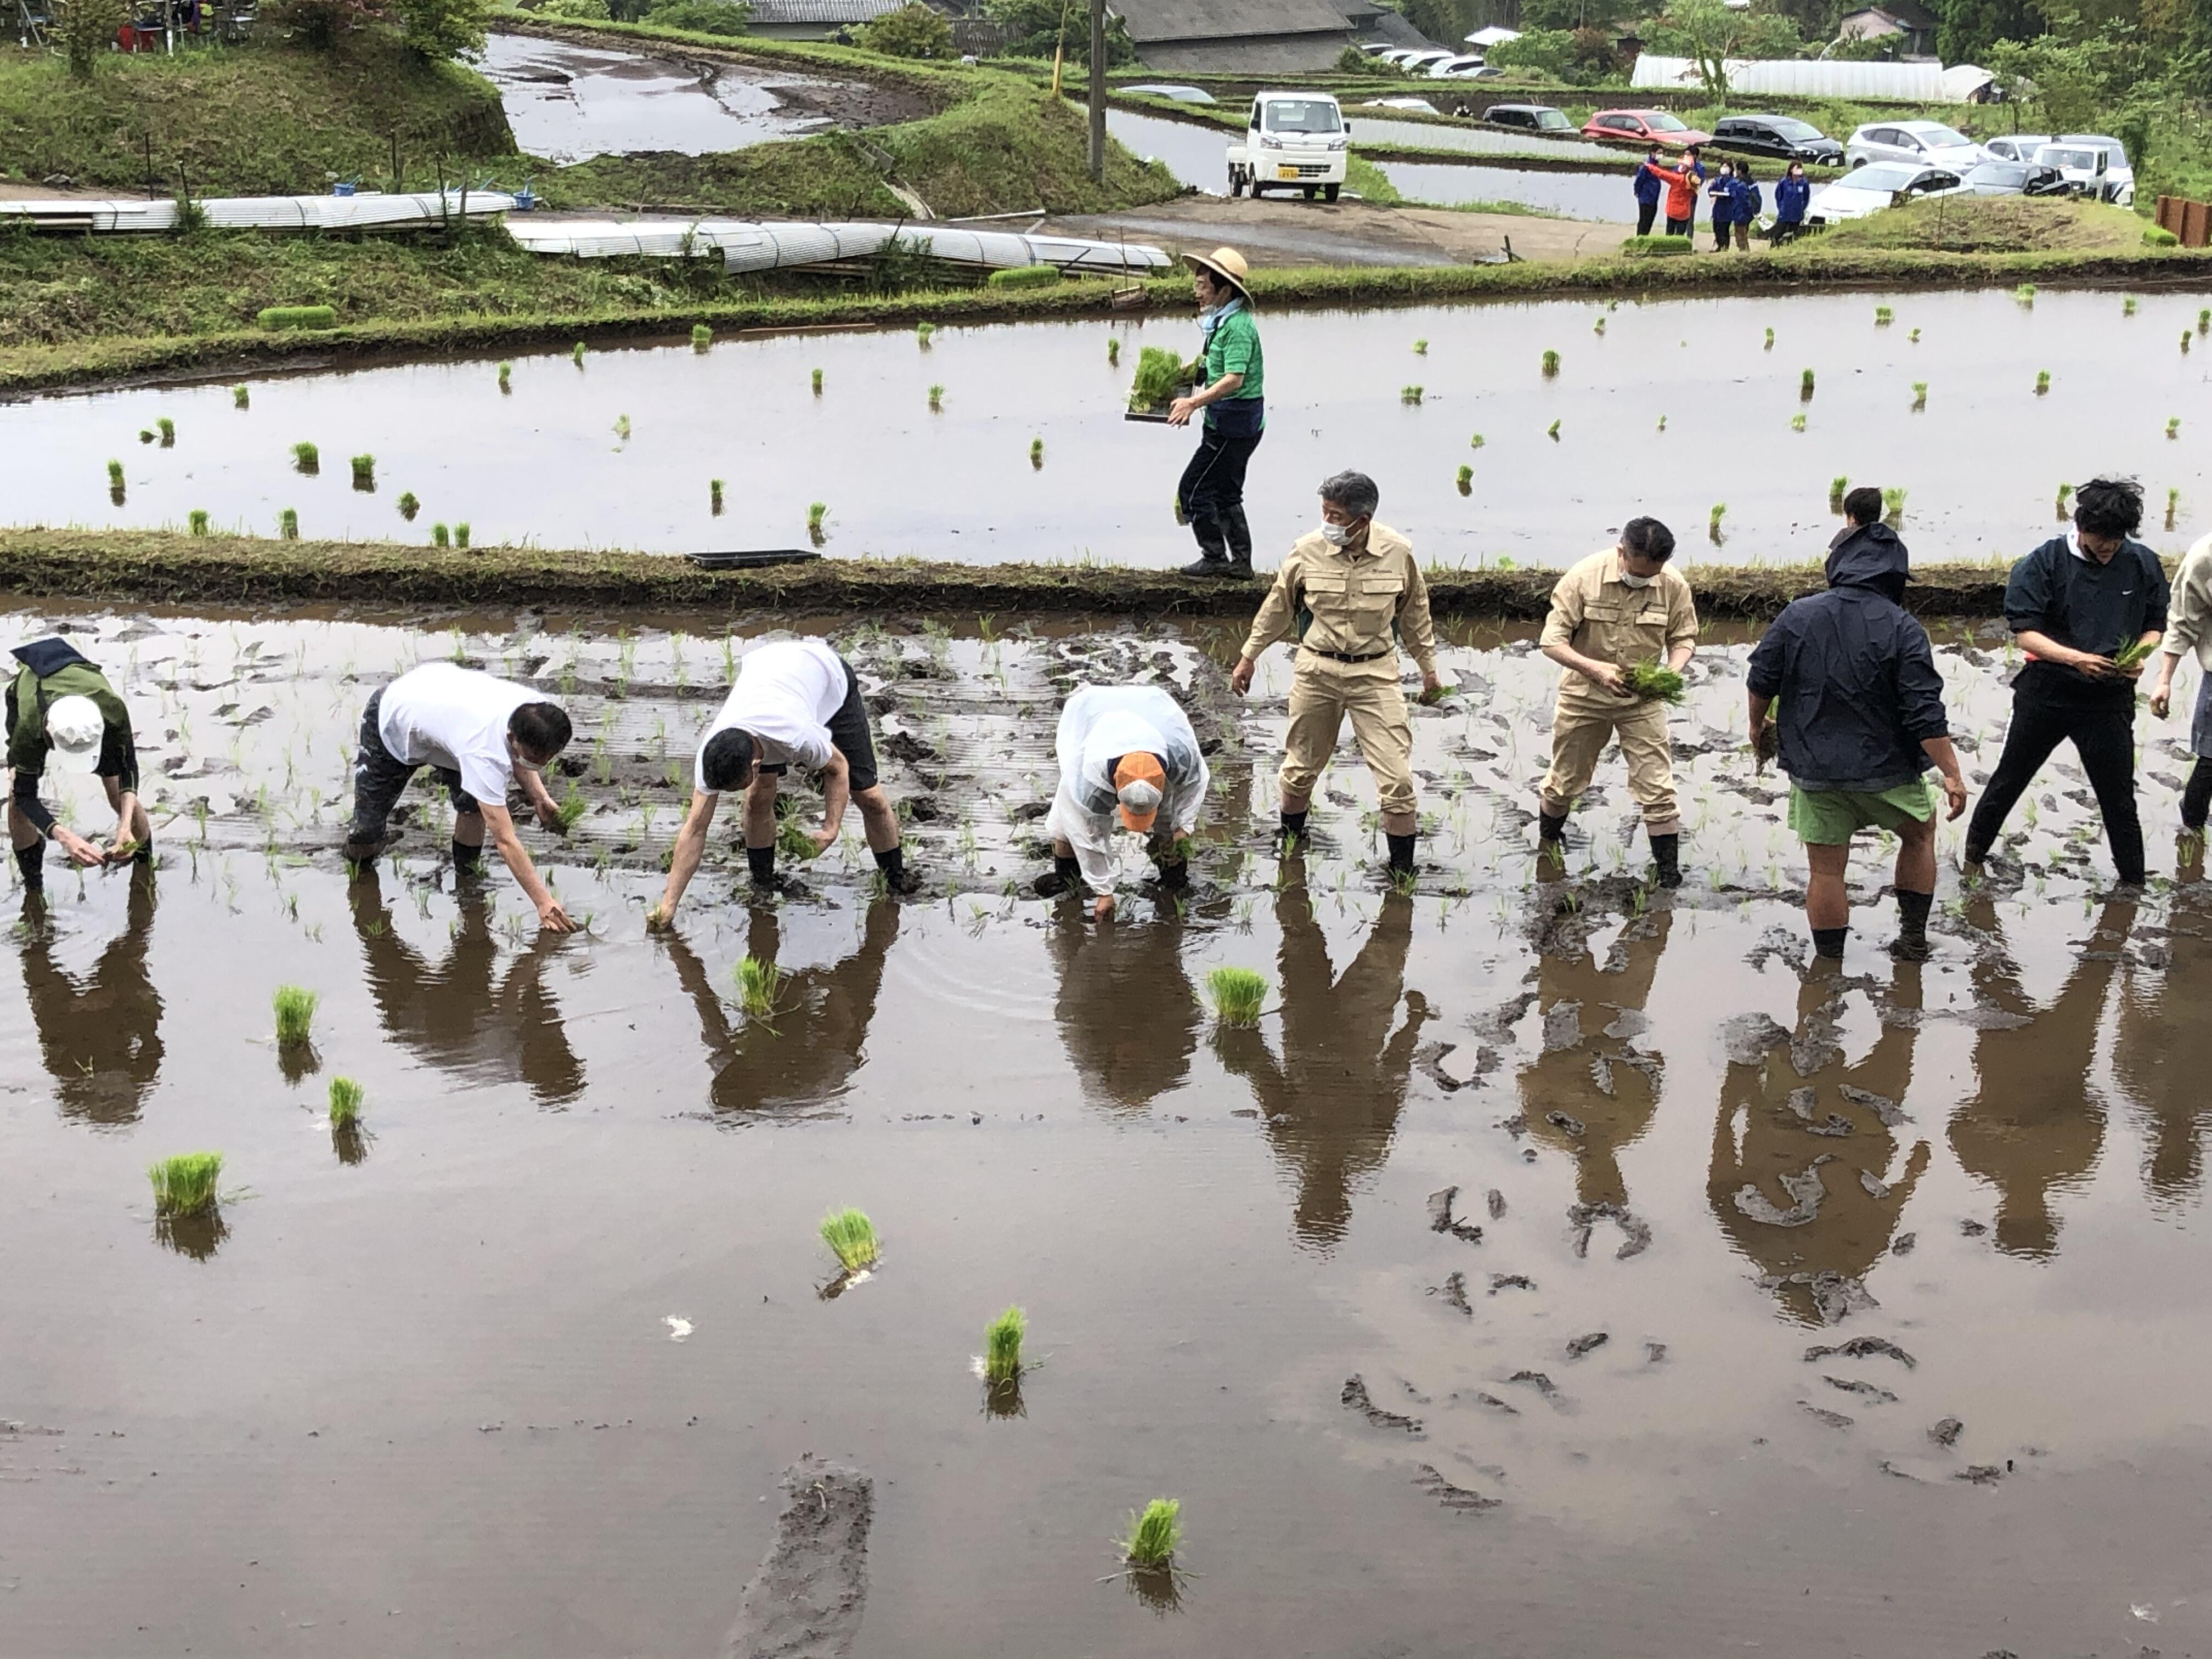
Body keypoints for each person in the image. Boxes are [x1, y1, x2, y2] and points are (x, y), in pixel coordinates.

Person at [1747, 489, 1968, 960]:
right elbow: (1925, 712)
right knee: (1920, 834)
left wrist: (1757, 726)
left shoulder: (1797, 615)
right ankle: (1912, 940)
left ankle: (1829, 964)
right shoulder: (1904, 627)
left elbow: (1760, 678)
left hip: (1815, 771)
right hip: (1889, 772)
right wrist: (1951, 772)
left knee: (1826, 872)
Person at [1231, 470, 1442, 879]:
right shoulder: (1307, 550)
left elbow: (1415, 613)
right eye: (1324, 511)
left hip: (1376, 673)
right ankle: (1291, 840)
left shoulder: (1399, 553)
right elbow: (1278, 607)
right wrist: (1249, 655)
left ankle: (1402, 875)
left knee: (1397, 779)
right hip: (1317, 670)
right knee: (1300, 767)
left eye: (1336, 515)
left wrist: (1429, 669)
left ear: (1362, 521)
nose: (1327, 522)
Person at [1963, 477, 2168, 889]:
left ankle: (2133, 886)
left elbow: (2154, 624)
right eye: (2100, 538)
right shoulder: (2044, 562)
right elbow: (2025, 632)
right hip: (2047, 693)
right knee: (2010, 779)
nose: (2108, 546)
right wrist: (2076, 659)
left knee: (2119, 798)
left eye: (2117, 539)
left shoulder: (2142, 562)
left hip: (2109, 698)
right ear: (2081, 525)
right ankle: (1970, 861)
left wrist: (2139, 658)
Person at [653, 637, 915, 919]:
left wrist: (830, 829)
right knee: (757, 797)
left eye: (735, 786)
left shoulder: (795, 735)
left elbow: (838, 769)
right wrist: (669, 904)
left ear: (756, 764)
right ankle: (763, 882)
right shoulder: (713, 751)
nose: (731, 794)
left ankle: (896, 877)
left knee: (869, 797)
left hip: (827, 678)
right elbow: (695, 829)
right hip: (772, 674)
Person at [342, 660, 577, 933]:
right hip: (394, 720)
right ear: (511, 736)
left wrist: (539, 798)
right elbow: (505, 840)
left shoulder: (539, 713)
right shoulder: (482, 749)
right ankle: (360, 879)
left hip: (447, 711)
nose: (543, 764)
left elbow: (520, 756)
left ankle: (467, 879)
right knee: (367, 832)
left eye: (550, 757)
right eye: (538, 759)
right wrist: (543, 901)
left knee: (472, 806)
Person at [1536, 516, 1699, 887]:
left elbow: (1684, 638)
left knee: (1658, 788)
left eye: (1651, 576)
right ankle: (1548, 843)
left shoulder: (1672, 584)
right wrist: (1594, 669)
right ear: (1621, 552)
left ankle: (1669, 875)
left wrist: (1672, 671)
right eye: (1638, 573)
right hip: (1584, 696)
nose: (1644, 581)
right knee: (1564, 783)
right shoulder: (1583, 577)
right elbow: (1551, 642)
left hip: (1643, 700)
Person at [1035, 682, 1209, 919]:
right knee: (1066, 827)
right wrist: (1104, 892)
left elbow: (1194, 787)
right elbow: (1086, 833)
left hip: (1152, 708)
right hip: (1090, 712)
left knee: (1170, 829)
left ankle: (1174, 886)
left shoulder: (1181, 755)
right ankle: (1068, 889)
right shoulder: (1087, 776)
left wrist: (1183, 828)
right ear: (1115, 785)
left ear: (1162, 781)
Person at [7, 635, 149, 898]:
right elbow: (26, 795)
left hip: (86, 698)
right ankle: (33, 886)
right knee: (17, 795)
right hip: (32, 695)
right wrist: (64, 836)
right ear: (49, 733)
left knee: (117, 787)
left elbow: (129, 768)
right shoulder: (30, 726)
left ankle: (144, 863)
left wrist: (125, 826)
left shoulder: (111, 708)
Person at [1167, 247, 1265, 580]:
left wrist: (1193, 403)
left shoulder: (1237, 327)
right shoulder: (1222, 322)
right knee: (1226, 492)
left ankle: (1215, 558)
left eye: (1202, 286)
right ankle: (1240, 565)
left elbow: (1234, 379)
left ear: (1224, 289)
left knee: (1193, 490)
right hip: (1233, 422)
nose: (1197, 293)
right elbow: (1214, 367)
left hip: (1232, 425)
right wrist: (1180, 375)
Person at [2146, 529, 2212, 842]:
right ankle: (2192, 835)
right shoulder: (2205, 556)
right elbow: (2182, 621)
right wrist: (2164, 681)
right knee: (2211, 760)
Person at [1647, 145, 1701, 237]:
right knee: (1680, 236)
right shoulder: (1694, 182)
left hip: (1673, 211)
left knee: (1669, 235)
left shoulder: (1677, 179)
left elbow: (1662, 174)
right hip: (1685, 213)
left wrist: (1650, 167)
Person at [1771, 159, 1810, 243]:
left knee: (1793, 235)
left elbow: (1806, 197)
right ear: (1791, 170)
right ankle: (1774, 248)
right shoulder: (1784, 182)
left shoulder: (1804, 183)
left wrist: (1802, 208)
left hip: (1797, 214)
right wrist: (1781, 207)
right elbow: (1778, 196)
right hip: (1785, 213)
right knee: (1778, 234)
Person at [1632, 143, 1663, 236]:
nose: (1661, 155)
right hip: (1646, 198)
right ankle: (1640, 238)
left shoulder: (1656, 166)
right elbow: (1639, 180)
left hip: (1654, 199)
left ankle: (1645, 238)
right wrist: (1637, 192)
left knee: (1650, 221)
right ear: (1653, 154)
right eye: (1659, 153)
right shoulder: (1647, 167)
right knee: (1644, 221)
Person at [1728, 160, 1760, 250]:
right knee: (1744, 233)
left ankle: (1744, 253)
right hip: (1751, 213)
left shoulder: (1740, 184)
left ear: (1739, 171)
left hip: (1741, 213)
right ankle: (1745, 251)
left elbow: (1742, 200)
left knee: (1740, 235)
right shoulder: (1752, 182)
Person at [1706, 158, 1736, 252]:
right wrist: (1711, 188)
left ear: (1731, 169)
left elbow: (1733, 194)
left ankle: (1725, 247)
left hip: (1728, 209)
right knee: (1716, 228)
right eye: (1723, 166)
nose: (1724, 168)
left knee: (1724, 229)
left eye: (1726, 167)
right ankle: (1718, 245)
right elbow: (1710, 191)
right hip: (1718, 208)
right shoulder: (1717, 180)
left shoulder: (1733, 182)